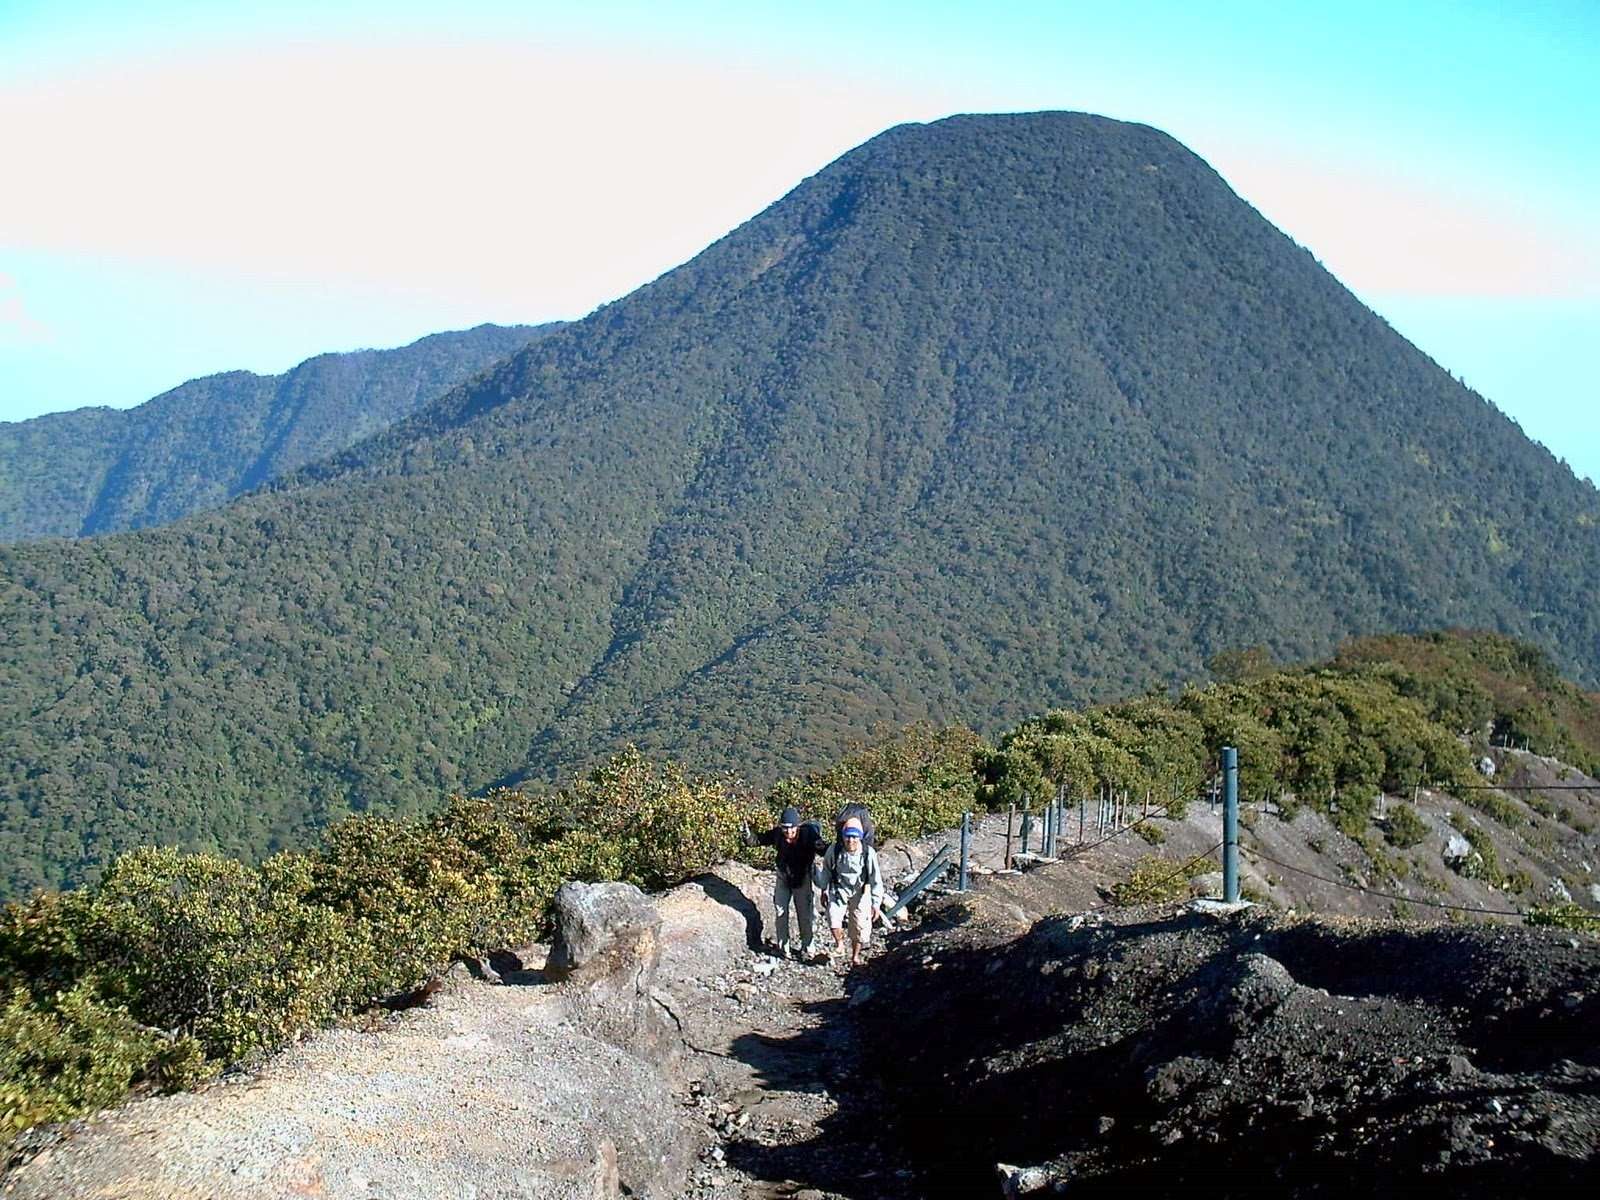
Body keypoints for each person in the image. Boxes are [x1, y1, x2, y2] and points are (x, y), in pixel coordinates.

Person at [743, 806, 827, 961]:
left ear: (798, 826)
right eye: (785, 828)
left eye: (791, 828)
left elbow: (825, 850)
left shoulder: (809, 836)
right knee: (781, 912)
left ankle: (808, 948)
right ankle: (784, 949)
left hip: (802, 877)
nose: (788, 832)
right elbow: (758, 840)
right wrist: (747, 836)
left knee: (805, 915)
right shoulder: (777, 834)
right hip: (783, 876)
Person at [819, 817, 885, 967]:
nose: (851, 840)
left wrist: (876, 903)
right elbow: (826, 871)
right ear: (843, 837)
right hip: (839, 887)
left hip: (860, 891)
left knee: (859, 927)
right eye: (848, 836)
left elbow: (876, 879)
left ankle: (855, 957)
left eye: (854, 837)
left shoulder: (868, 853)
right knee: (832, 916)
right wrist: (823, 890)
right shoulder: (834, 850)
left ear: (860, 837)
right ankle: (840, 944)